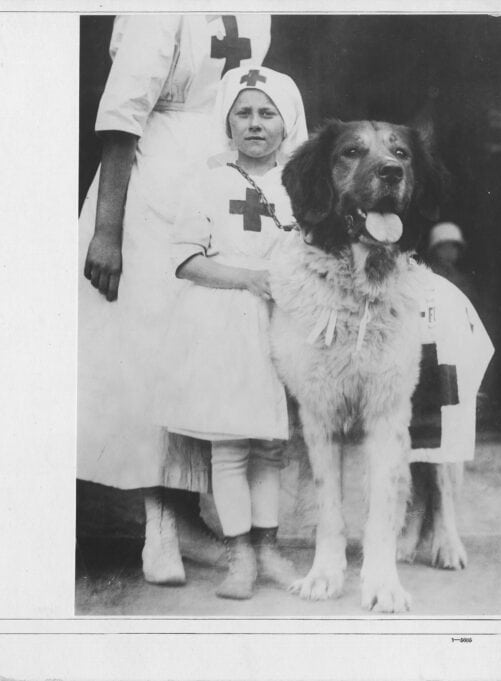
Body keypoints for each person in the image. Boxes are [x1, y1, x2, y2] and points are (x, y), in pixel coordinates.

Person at [77, 14, 272, 585]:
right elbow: (122, 116)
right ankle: (159, 527)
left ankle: (191, 517)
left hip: (221, 173)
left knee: (206, 346)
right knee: (150, 345)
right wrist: (108, 229)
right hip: (152, 177)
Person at [155, 65, 307, 599]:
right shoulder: (208, 178)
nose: (255, 124)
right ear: (228, 121)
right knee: (230, 447)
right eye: (243, 113)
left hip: (280, 324)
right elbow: (186, 259)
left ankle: (268, 546)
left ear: (287, 122)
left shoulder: (299, 184)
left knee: (270, 446)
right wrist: (246, 278)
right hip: (221, 322)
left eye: (267, 113)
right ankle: (239, 553)